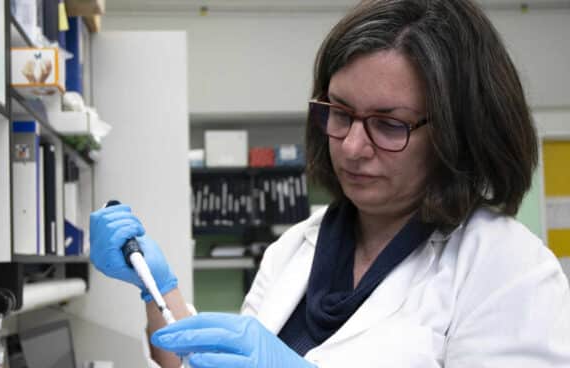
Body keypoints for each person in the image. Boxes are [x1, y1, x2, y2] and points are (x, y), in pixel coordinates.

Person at [89, 0, 570, 367]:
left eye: (389, 123)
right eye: (340, 113)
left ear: (459, 132)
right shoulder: (296, 248)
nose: (352, 146)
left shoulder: (508, 269)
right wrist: (157, 288)